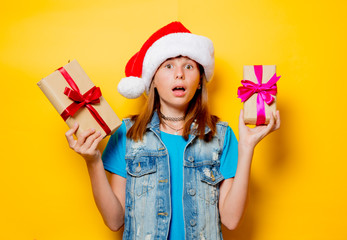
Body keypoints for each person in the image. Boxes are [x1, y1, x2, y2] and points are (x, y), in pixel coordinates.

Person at [65, 22, 280, 240]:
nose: (179, 74)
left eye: (189, 66)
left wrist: (247, 147)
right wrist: (92, 162)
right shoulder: (126, 135)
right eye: (168, 66)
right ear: (153, 81)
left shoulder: (221, 137)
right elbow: (114, 221)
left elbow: (231, 220)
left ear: (199, 82)